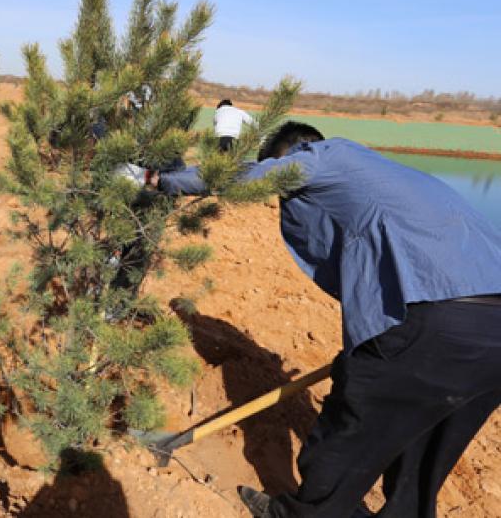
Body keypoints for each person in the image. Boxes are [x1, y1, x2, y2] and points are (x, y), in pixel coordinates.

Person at [131, 122, 501, 518]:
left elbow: (246, 176)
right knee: (426, 447)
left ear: (290, 154)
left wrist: (157, 179)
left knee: (350, 422)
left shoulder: (329, 156)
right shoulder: (397, 178)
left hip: (436, 319)